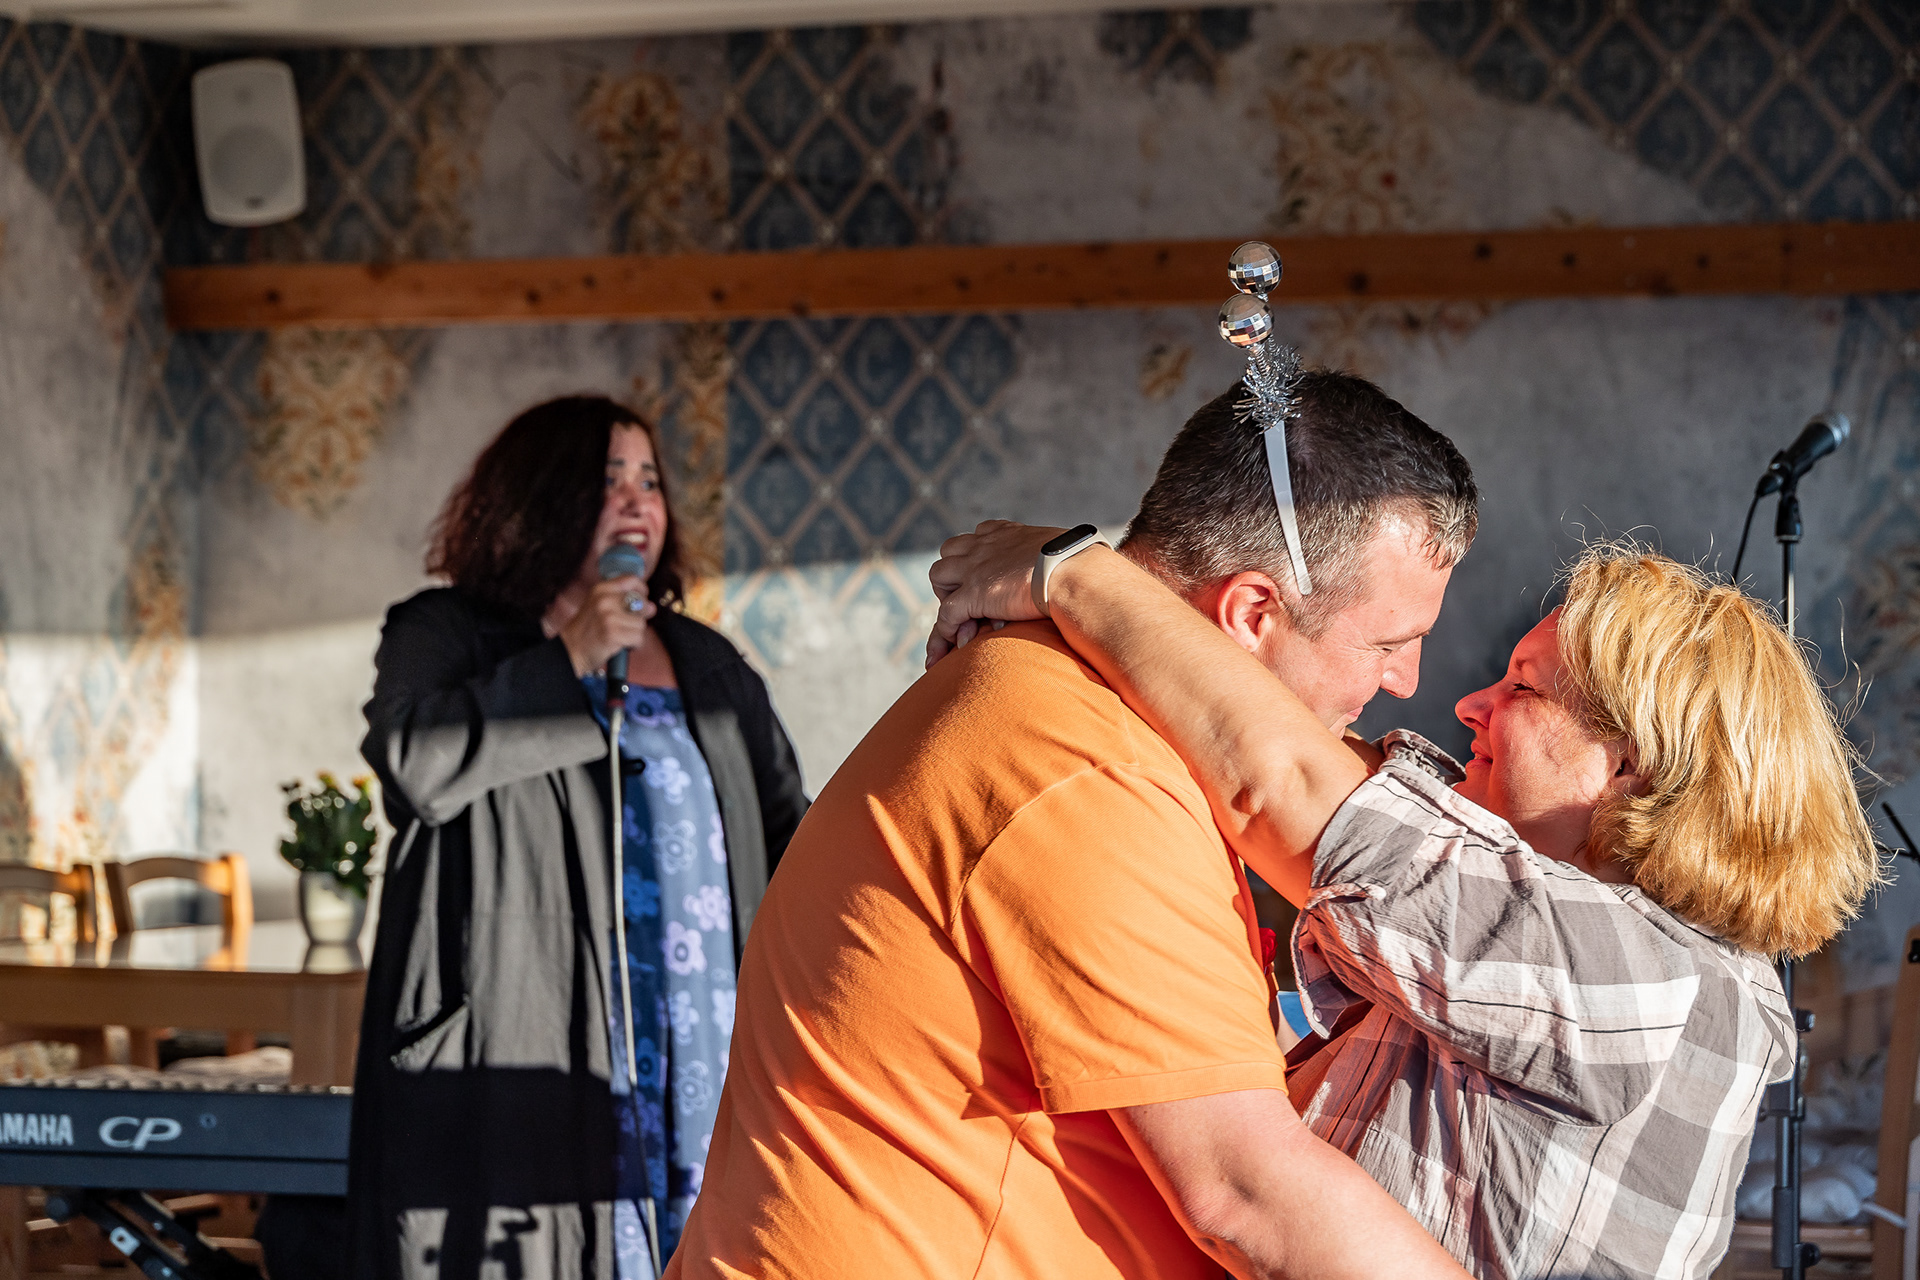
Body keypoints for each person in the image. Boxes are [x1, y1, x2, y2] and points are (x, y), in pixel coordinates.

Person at [669, 373, 1480, 1280]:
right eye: (1387, 644)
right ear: (1253, 613)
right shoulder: (1088, 762)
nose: (1407, 681)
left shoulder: (1071, 701)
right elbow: (1246, 1195)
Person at [924, 522, 1880, 1279]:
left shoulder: (1647, 981)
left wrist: (1076, 574)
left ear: (1629, 765)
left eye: (1522, 688)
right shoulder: (1575, 957)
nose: (1469, 704)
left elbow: (1290, 789)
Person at [353, 395, 808, 1279]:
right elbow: (414, 766)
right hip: (524, 1031)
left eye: (650, 480)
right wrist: (570, 659)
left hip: (701, 1030)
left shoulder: (708, 663)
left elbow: (789, 829)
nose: (638, 499)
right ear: (538, 499)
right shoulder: (444, 633)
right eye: (608, 479)